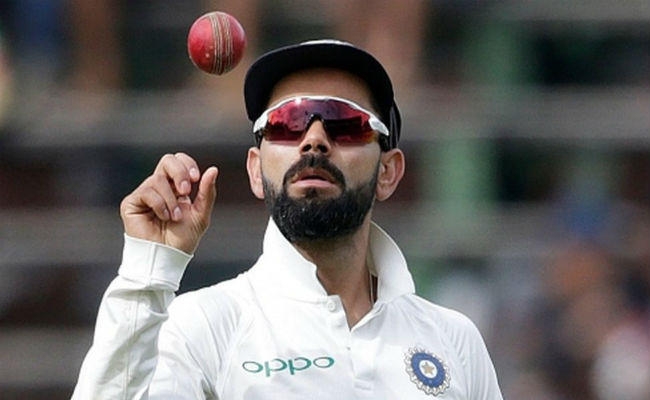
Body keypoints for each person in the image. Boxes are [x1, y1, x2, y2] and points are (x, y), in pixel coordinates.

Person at [72, 39, 503, 399]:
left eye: (344, 123)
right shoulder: (205, 325)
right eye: (286, 123)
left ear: (388, 172)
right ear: (256, 169)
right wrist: (148, 271)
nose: (314, 140)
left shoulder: (453, 339)